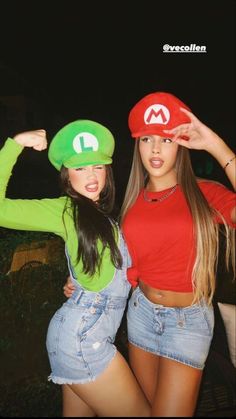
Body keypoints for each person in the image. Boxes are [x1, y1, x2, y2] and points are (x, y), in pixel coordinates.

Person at [63, 91, 236, 417]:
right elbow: (125, 266)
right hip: (141, 314)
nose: (155, 149)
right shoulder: (131, 204)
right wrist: (83, 281)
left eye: (166, 140)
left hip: (187, 323)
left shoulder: (203, 193)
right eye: (146, 139)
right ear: (137, 145)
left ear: (181, 145)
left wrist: (214, 144)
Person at [0, 120, 150, 417]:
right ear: (66, 175)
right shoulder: (64, 210)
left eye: (97, 166)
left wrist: (77, 280)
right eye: (80, 168)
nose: (91, 176)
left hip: (81, 334)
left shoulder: (102, 215)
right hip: (83, 339)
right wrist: (15, 144)